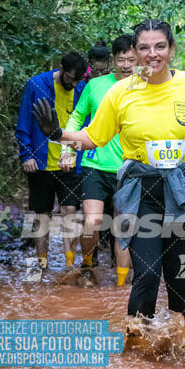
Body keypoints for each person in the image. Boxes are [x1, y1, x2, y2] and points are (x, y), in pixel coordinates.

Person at [33, 19, 185, 349]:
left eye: (160, 46)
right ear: (134, 53)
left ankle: (183, 356)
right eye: (145, 48)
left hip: (184, 195)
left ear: (171, 49)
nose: (153, 54)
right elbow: (93, 137)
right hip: (141, 195)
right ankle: (136, 354)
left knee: (180, 279)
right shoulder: (120, 93)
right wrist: (57, 134)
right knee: (147, 276)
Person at [58, 35, 136, 288]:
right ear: (113, 59)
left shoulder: (146, 87)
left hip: (130, 167)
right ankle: (88, 266)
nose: (125, 65)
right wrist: (68, 148)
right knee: (92, 222)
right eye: (121, 59)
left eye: (131, 59)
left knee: (122, 227)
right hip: (95, 164)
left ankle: (120, 288)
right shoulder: (95, 86)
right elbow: (77, 116)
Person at [15, 51, 87, 276]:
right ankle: (42, 265)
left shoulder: (82, 89)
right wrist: (26, 155)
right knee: (42, 215)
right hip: (40, 161)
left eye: (77, 80)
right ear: (61, 69)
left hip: (69, 161)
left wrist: (78, 155)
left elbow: (87, 126)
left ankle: (69, 265)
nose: (73, 84)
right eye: (69, 79)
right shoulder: (36, 84)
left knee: (69, 211)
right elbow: (24, 121)